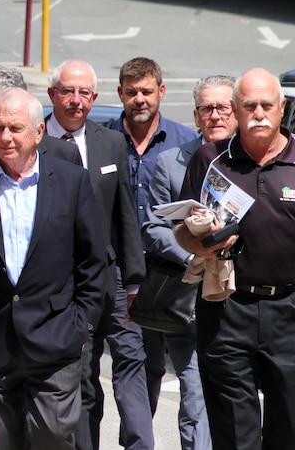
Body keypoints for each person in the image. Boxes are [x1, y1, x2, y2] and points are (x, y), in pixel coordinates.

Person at [175, 67, 295, 449]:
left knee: (292, 430)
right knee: (234, 433)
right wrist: (203, 245)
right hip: (226, 309)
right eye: (249, 106)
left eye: (267, 105)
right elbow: (183, 231)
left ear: (282, 108)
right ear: (235, 110)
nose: (259, 113)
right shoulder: (209, 159)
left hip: (292, 310)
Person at [0, 87, 107, 449]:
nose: (5, 137)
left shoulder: (71, 181)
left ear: (38, 132)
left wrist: (82, 325)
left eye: (15, 128)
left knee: (52, 437)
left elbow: (92, 259)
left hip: (56, 338)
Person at [45, 60, 145, 450]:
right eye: (68, 92)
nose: (75, 101)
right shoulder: (33, 141)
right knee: (78, 377)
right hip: (54, 283)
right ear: (52, 95)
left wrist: (134, 280)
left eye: (84, 94)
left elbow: (124, 214)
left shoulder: (110, 143)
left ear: (94, 98)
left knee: (107, 372)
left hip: (105, 282)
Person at [141, 75, 237, 450]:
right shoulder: (171, 162)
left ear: (236, 112)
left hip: (243, 299)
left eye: (222, 108)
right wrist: (196, 255)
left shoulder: (257, 165)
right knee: (196, 393)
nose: (215, 116)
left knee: (237, 395)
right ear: (196, 116)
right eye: (206, 109)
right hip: (188, 301)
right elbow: (153, 225)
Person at [108, 57, 199, 449]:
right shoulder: (105, 139)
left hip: (176, 275)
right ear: (120, 95)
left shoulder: (185, 144)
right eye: (131, 92)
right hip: (124, 276)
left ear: (161, 91)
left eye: (147, 91)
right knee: (138, 371)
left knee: (191, 376)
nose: (139, 99)